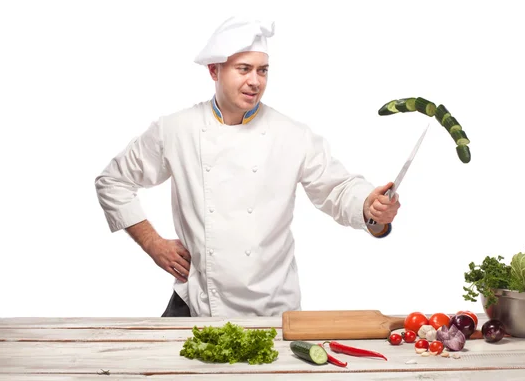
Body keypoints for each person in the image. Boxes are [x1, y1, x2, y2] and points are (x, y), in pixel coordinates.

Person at [94, 16, 401, 318]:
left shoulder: (292, 134)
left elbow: (338, 188)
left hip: (274, 307)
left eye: (262, 71)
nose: (255, 81)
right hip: (198, 303)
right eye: (244, 69)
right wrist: (152, 242)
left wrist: (369, 208)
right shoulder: (176, 130)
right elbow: (113, 182)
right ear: (214, 71)